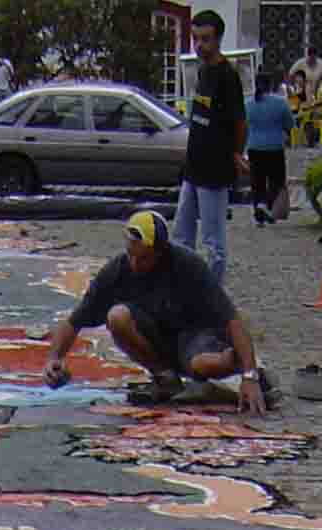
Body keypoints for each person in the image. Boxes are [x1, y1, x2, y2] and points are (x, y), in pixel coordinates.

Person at [43, 208, 271, 413]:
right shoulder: (118, 270)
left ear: (161, 251)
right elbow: (75, 320)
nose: (134, 263)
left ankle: (251, 370)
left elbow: (232, 319)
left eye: (143, 258)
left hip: (197, 336)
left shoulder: (188, 265)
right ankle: (165, 378)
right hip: (159, 341)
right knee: (117, 317)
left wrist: (249, 376)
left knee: (202, 365)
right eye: (130, 254)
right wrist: (55, 358)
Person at [172, 10, 246, 287]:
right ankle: (183, 289)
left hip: (215, 169)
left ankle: (212, 296)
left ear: (218, 39)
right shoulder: (202, 71)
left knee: (213, 242)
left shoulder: (228, 76)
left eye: (205, 39)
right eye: (195, 39)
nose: (199, 45)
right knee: (181, 235)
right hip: (193, 166)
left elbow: (240, 122)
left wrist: (237, 153)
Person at [246, 72, 294, 224]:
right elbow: (290, 124)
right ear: (271, 85)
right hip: (275, 147)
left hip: (254, 146)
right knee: (277, 180)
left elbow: (243, 125)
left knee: (257, 180)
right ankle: (268, 206)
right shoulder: (281, 103)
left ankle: (259, 210)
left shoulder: (248, 104)